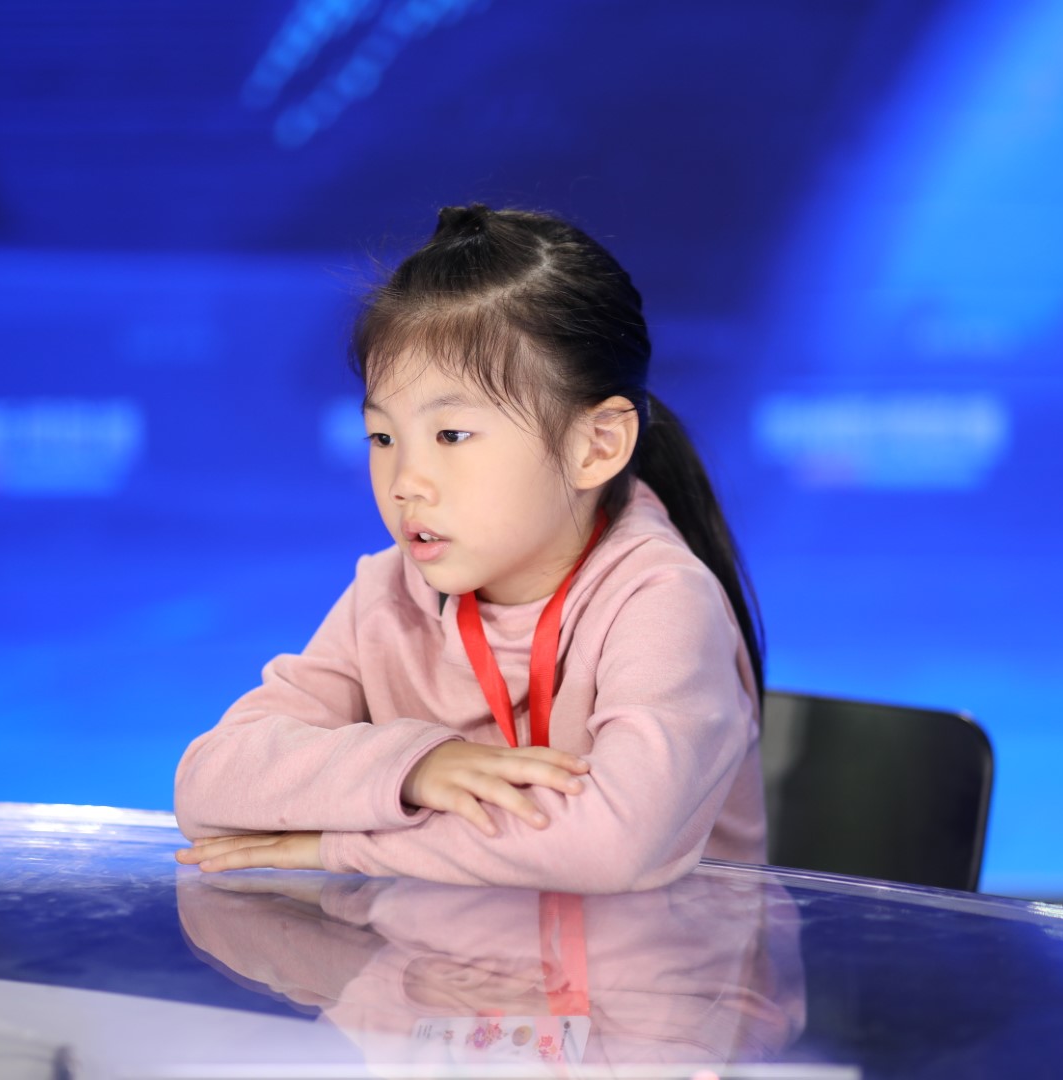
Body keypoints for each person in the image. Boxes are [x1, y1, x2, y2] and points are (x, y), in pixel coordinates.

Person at [174, 203, 766, 894]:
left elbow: (610, 845)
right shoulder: (390, 593)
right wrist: (414, 767)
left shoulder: (663, 600)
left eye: (451, 435)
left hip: (662, 961)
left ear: (597, 445)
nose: (405, 482)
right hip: (454, 959)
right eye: (382, 437)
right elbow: (208, 785)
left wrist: (341, 845)